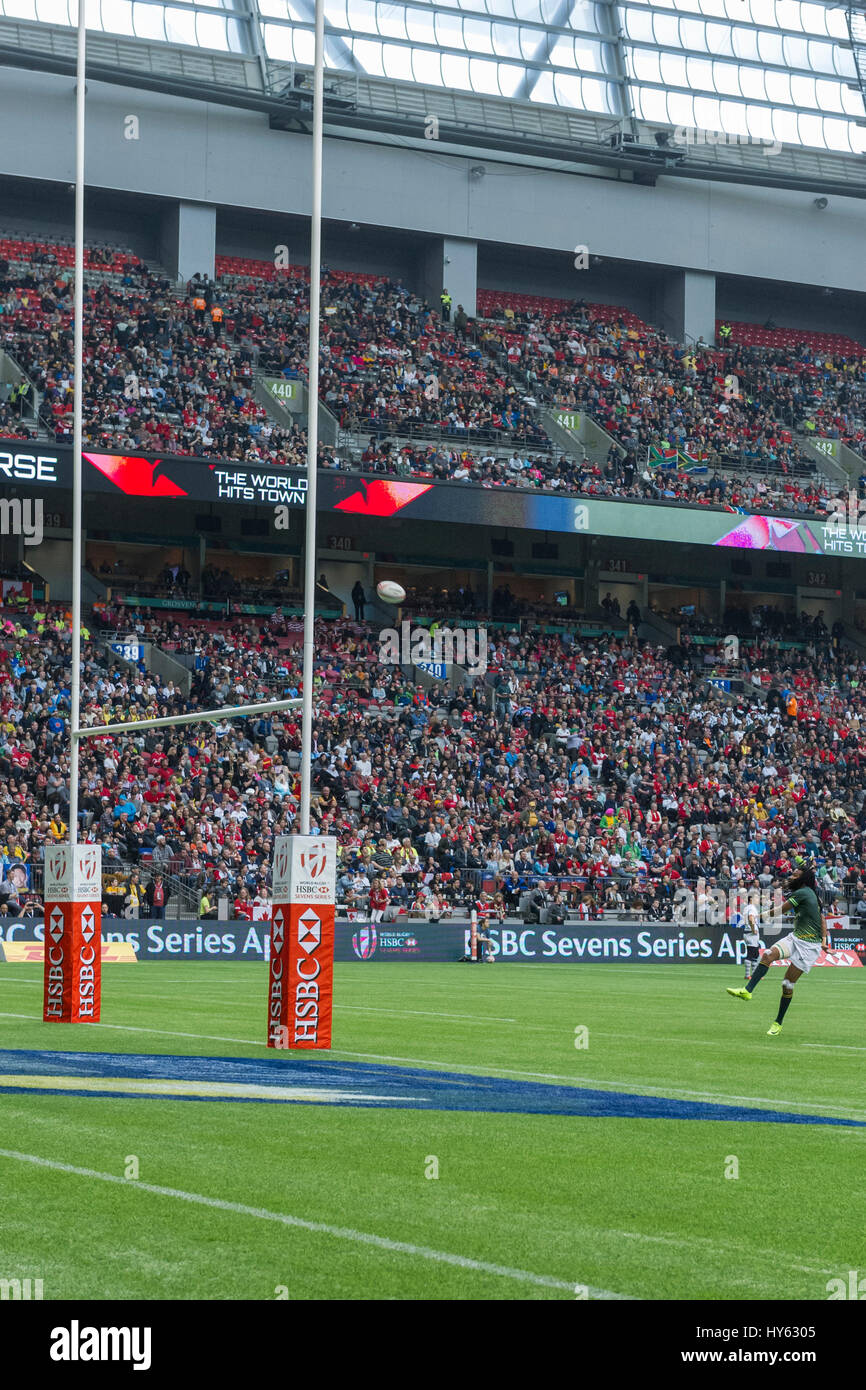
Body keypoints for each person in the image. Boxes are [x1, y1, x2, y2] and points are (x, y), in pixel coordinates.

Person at [726, 858, 828, 1035]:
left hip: (809, 946)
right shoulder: (808, 893)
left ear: (802, 879)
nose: (791, 876)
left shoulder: (803, 893)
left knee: (787, 984)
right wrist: (825, 940)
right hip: (796, 937)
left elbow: (781, 910)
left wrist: (759, 916)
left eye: (795, 874)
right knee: (767, 955)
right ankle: (747, 991)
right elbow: (822, 918)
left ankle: (778, 1023)